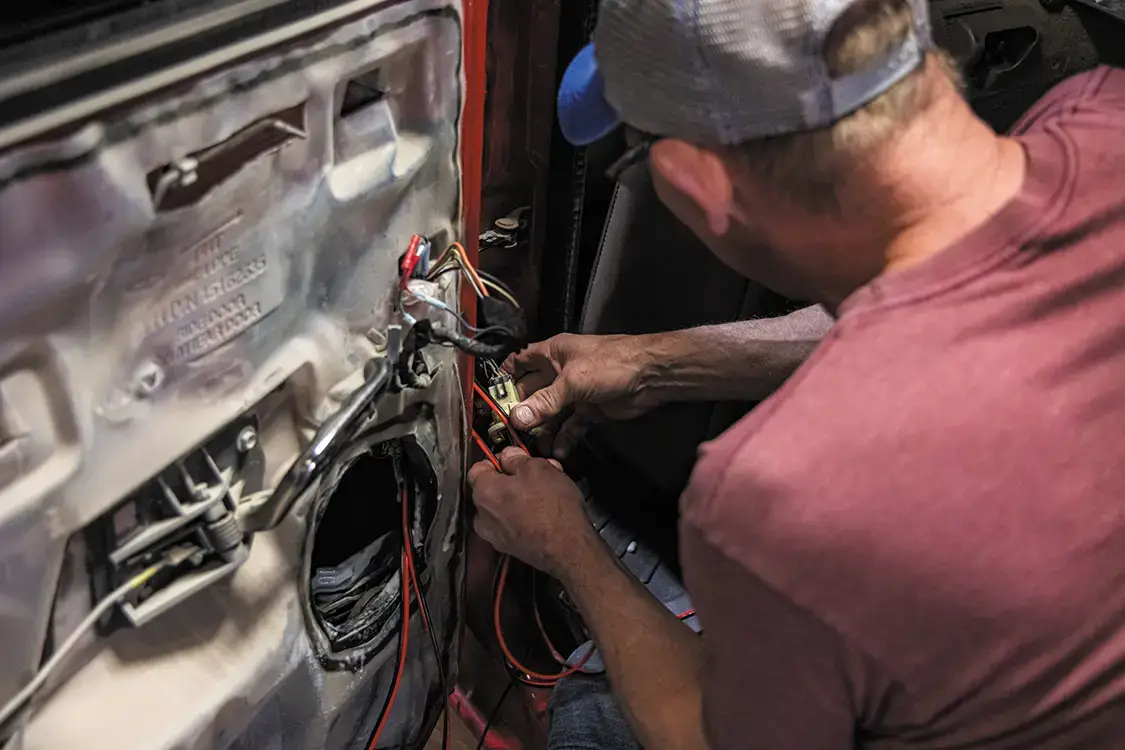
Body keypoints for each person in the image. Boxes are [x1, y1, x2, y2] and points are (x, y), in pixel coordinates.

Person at [469, 0, 1125, 746]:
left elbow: (698, 734)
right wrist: (652, 365)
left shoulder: (783, 500)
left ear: (695, 187)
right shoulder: (1101, 114)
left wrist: (565, 548)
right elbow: (940, 296)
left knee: (587, 711)